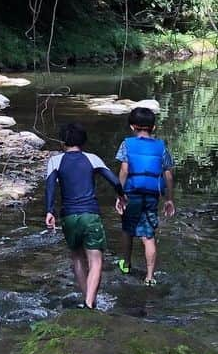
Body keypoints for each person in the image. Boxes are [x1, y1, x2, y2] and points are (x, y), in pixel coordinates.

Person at [44, 122, 124, 309]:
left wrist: (49, 211)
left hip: (68, 217)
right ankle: (89, 302)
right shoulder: (92, 159)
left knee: (77, 257)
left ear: (63, 142)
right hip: (90, 214)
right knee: (95, 261)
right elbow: (114, 181)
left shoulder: (55, 161)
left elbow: (49, 189)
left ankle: (87, 298)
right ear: (84, 141)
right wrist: (121, 197)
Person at [115, 105, 175, 285]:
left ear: (132, 126)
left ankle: (126, 264)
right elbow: (168, 175)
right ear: (153, 127)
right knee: (148, 236)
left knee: (127, 229)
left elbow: (124, 170)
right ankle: (150, 277)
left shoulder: (127, 144)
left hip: (131, 193)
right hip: (151, 196)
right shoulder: (161, 147)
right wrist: (169, 199)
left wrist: (120, 194)